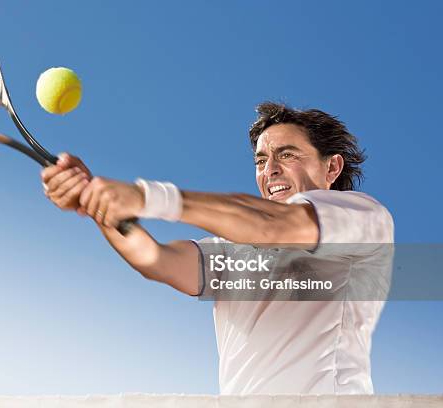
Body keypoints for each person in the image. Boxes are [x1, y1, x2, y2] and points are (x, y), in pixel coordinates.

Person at [41, 102, 394, 395]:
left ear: (331, 166)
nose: (269, 170)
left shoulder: (363, 218)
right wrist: (97, 206)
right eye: (260, 161)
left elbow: (275, 226)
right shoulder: (230, 248)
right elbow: (155, 259)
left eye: (287, 155)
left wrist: (148, 197)